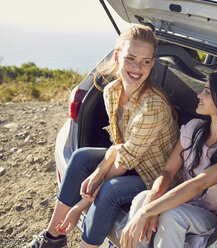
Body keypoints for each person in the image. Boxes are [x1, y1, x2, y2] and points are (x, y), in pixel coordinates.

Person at [22, 25, 181, 248]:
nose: (137, 68)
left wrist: (80, 207)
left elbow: (125, 161)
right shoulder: (112, 91)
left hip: (156, 176)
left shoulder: (152, 106)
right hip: (131, 160)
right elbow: (119, 146)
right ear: (117, 57)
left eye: (146, 61)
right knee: (80, 158)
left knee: (110, 189)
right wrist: (98, 171)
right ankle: (52, 239)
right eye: (131, 58)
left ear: (152, 63)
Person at [120, 64, 217, 248]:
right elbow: (168, 171)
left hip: (213, 219)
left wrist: (148, 211)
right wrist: (152, 199)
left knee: (172, 215)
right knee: (142, 199)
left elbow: (200, 183)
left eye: (207, 92)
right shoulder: (194, 129)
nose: (199, 95)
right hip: (185, 204)